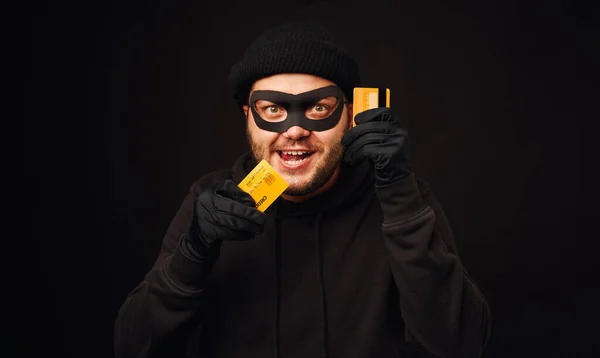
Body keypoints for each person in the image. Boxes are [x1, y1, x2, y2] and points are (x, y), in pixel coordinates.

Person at [113, 21, 492, 358]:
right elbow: (134, 347)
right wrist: (192, 253)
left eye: (317, 108)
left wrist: (398, 195)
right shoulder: (208, 202)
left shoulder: (403, 197)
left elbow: (459, 345)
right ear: (248, 116)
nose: (294, 130)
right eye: (274, 110)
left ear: (348, 114)